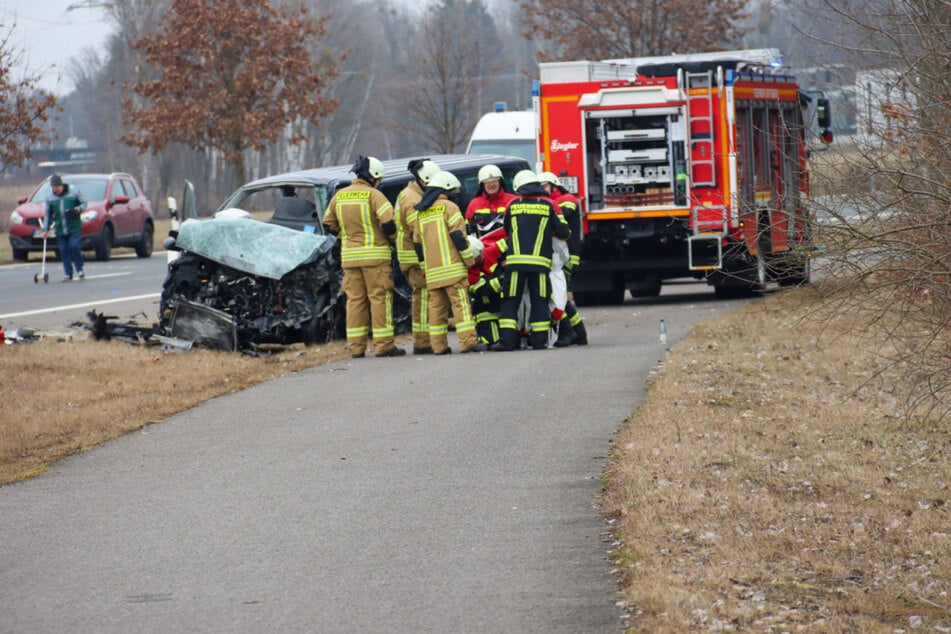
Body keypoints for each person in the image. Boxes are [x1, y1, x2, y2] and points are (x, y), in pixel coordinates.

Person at [323, 156, 405, 358]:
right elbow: (388, 224)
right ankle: (384, 345)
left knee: (355, 301)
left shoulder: (339, 196)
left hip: (350, 259)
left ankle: (356, 348)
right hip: (376, 258)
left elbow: (328, 224)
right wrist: (391, 238)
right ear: (374, 177)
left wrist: (346, 237)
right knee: (379, 299)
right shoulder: (375, 195)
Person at [492, 170, 570, 351]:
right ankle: (539, 341)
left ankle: (508, 342)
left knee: (510, 301)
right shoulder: (548, 205)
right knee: (539, 300)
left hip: (515, 264)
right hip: (540, 264)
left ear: (518, 188)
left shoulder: (512, 205)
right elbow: (563, 232)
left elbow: (507, 229)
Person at [412, 171, 483, 355]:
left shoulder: (422, 213)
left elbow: (417, 245)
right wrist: (469, 260)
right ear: (446, 190)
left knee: (436, 310)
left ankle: (438, 346)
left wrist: (424, 268)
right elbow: (459, 237)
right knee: (461, 306)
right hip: (453, 270)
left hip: (433, 272)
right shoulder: (449, 207)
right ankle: (467, 343)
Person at [395, 158, 440, 354]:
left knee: (423, 297)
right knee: (422, 298)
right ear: (423, 181)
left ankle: (425, 340)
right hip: (415, 258)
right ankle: (422, 343)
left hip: (410, 257)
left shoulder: (409, 193)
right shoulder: (413, 199)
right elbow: (419, 232)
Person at [538, 171, 588, 346]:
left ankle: (570, 332)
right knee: (560, 297)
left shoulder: (567, 199)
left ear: (554, 185)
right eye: (541, 186)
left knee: (556, 296)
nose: (543, 189)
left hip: (567, 257)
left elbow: (563, 213)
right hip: (560, 255)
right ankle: (578, 332)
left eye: (545, 186)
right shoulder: (550, 202)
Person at [43, 173, 86, 282]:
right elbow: (48, 214)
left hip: (74, 226)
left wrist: (79, 209)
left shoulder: (73, 191)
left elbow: (83, 203)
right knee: (63, 250)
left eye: (57, 187)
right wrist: (45, 229)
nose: (55, 189)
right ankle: (68, 273)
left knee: (74, 246)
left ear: (62, 185)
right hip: (60, 228)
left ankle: (79, 269)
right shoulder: (50, 197)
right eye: (53, 187)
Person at [464, 164, 515, 237]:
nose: (491, 184)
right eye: (487, 182)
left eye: (494, 181)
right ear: (482, 184)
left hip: (508, 246)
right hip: (484, 247)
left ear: (500, 182)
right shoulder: (474, 204)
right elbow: (467, 228)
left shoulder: (513, 201)